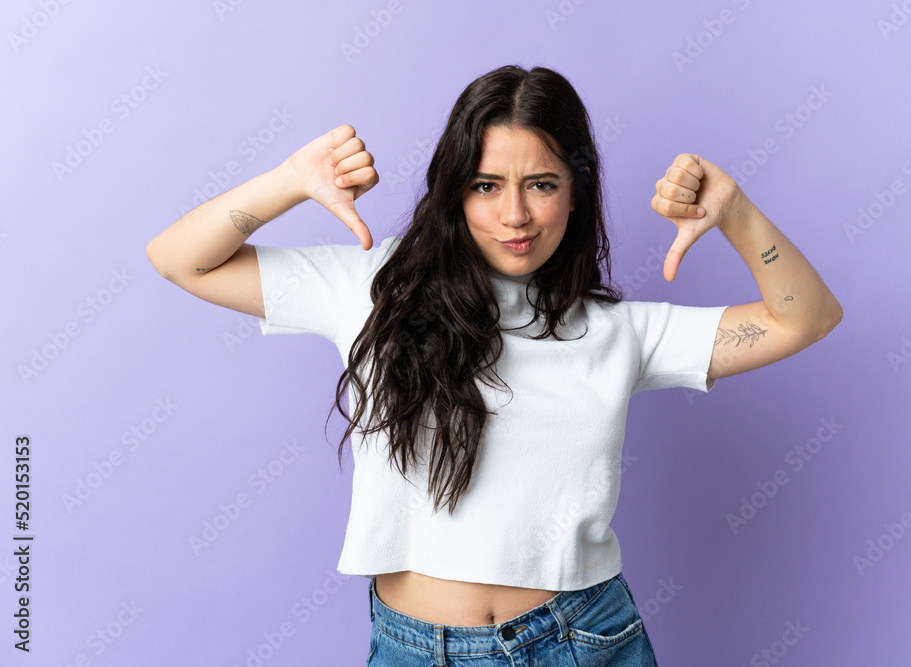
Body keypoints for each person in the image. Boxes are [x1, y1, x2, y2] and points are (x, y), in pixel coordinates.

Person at [146, 64, 842, 666]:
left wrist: (734, 212)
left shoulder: (617, 330)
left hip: (583, 639)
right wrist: (291, 181)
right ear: (455, 191)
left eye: (541, 183)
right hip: (414, 645)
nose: (516, 215)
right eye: (486, 185)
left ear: (576, 191)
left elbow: (804, 317)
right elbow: (179, 257)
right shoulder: (370, 285)